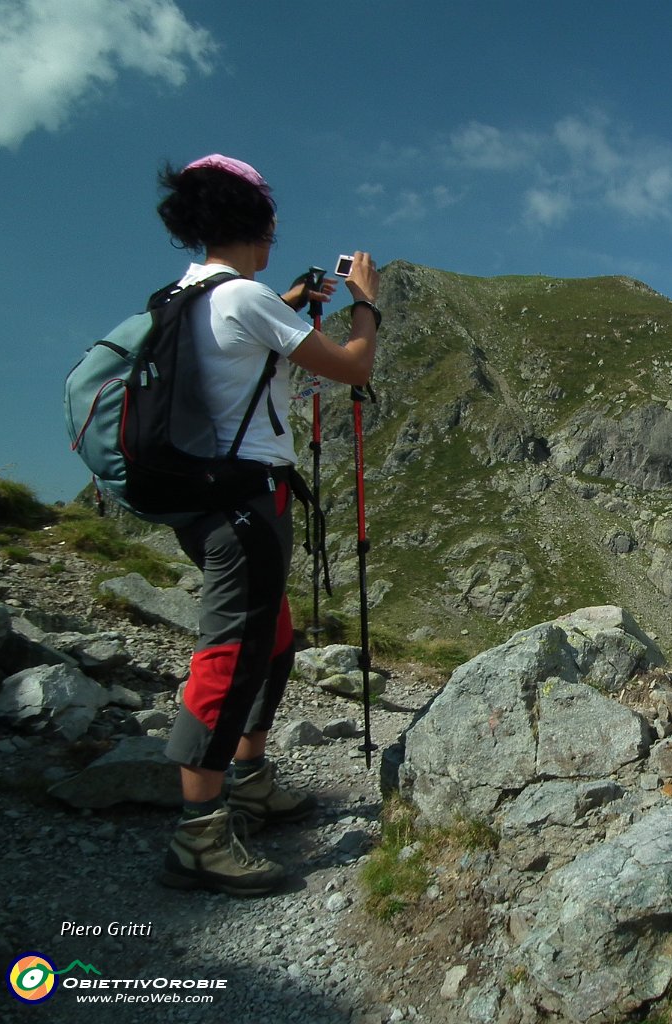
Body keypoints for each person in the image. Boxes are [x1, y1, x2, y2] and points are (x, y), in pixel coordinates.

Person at [153, 154, 381, 896]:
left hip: (212, 498)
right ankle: (200, 835)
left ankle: (247, 779)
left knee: (269, 641)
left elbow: (239, 351)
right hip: (246, 504)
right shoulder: (246, 299)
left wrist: (287, 300)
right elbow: (351, 368)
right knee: (229, 656)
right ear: (260, 223)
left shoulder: (189, 294)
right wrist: (365, 303)